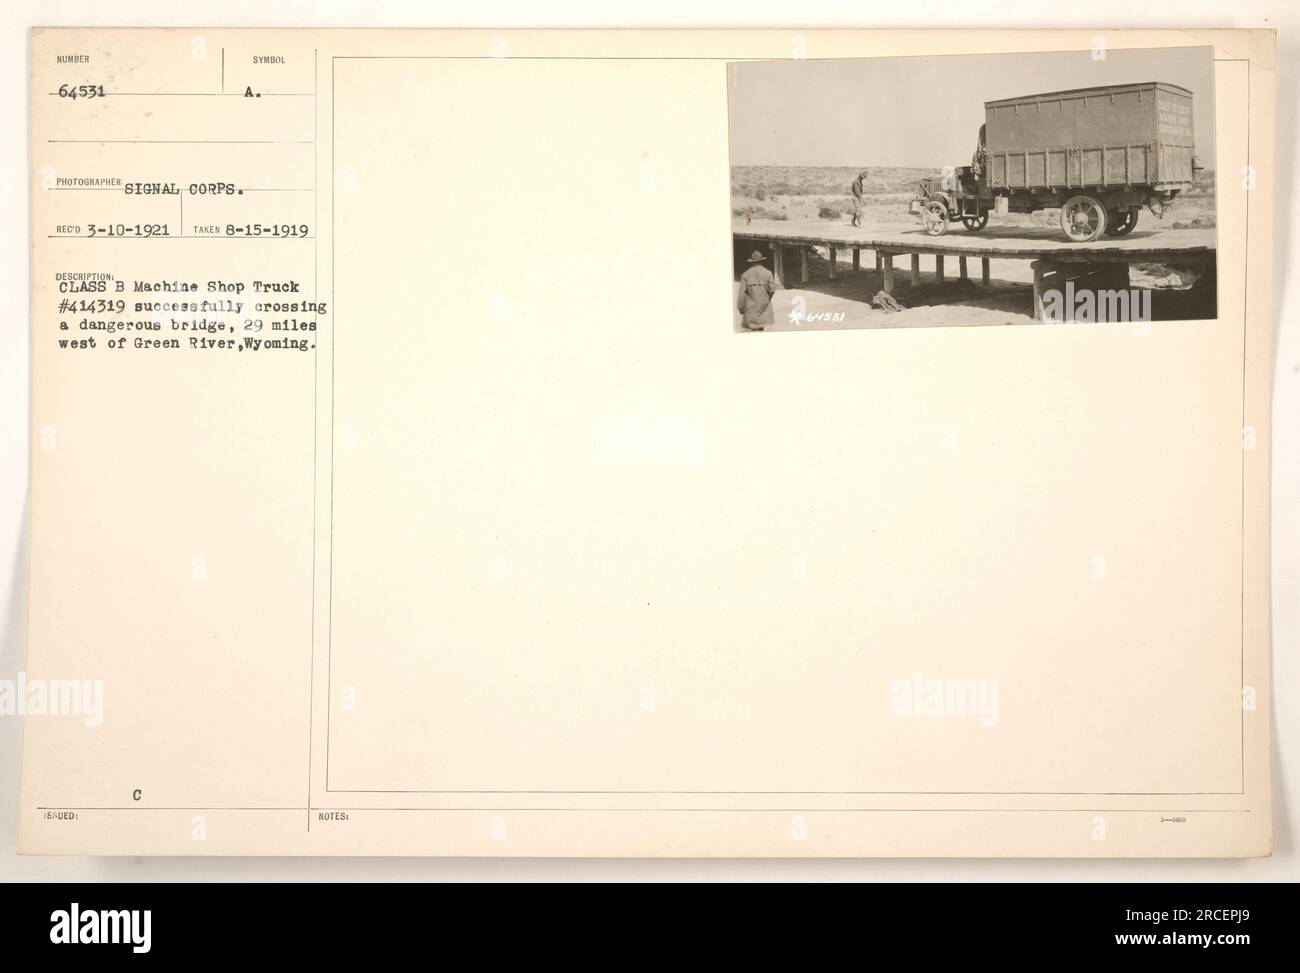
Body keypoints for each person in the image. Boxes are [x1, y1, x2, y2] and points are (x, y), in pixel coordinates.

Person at [737, 250, 777, 331]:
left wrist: (741, 308)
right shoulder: (768, 273)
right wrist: (766, 299)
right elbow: (772, 289)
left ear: (752, 262)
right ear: (762, 261)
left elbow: (741, 295)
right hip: (764, 307)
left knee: (753, 331)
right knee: (761, 328)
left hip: (750, 309)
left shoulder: (745, 274)